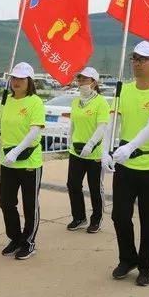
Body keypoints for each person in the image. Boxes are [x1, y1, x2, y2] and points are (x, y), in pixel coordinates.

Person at [103, 41, 149, 286]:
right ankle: (127, 259)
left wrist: (130, 147)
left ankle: (146, 265)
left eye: (143, 59)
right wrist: (104, 152)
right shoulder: (125, 91)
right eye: (134, 58)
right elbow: (112, 122)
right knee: (119, 215)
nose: (137, 63)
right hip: (125, 165)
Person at [0, 62, 45, 261]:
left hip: (29, 161)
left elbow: (35, 130)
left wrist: (17, 151)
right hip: (7, 161)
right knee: (7, 203)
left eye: (21, 78)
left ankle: (28, 242)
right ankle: (15, 238)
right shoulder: (5, 101)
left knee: (30, 205)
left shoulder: (35, 102)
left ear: (29, 81)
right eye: (14, 78)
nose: (16, 82)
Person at [65, 67, 109, 233]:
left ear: (94, 82)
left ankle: (96, 220)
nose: (81, 83)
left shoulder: (101, 102)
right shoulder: (75, 101)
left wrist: (90, 144)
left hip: (94, 153)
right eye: (80, 79)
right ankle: (79, 217)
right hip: (76, 151)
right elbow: (73, 124)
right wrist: (71, 139)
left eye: (85, 80)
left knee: (94, 187)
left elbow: (102, 127)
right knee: (73, 184)